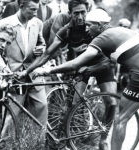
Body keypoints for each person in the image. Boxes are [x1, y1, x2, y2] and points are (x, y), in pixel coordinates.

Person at [32, 9, 139, 150]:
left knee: (120, 119)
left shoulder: (102, 37)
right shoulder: (121, 31)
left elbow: (76, 63)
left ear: (99, 25)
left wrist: (47, 70)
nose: (86, 30)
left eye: (89, 25)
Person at [16, 1, 117, 149]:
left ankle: (104, 138)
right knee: (72, 105)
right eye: (76, 13)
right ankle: (66, 141)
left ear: (88, 10)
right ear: (70, 13)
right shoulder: (67, 31)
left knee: (112, 102)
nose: (80, 17)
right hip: (81, 66)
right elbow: (47, 54)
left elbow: (113, 56)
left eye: (83, 12)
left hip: (102, 65)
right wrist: (26, 71)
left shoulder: (96, 24)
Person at [0, 0, 48, 136]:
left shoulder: (37, 23)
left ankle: (37, 143)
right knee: (11, 116)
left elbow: (41, 44)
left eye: (37, 9)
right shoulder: (3, 24)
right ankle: (5, 145)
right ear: (21, 7)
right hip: (14, 76)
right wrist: (4, 69)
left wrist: (41, 49)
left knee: (41, 108)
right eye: (32, 9)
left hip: (34, 74)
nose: (35, 13)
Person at [0, 24, 16, 99]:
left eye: (8, 43)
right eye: (1, 40)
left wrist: (5, 69)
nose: (4, 46)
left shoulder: (2, 55)